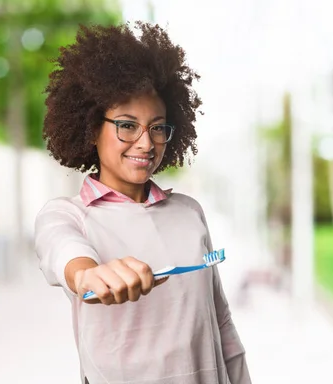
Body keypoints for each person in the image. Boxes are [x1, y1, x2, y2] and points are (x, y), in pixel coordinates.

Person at [35, 22, 251, 384]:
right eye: (127, 125)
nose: (146, 143)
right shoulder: (69, 215)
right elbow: (63, 251)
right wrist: (89, 273)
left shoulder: (189, 212)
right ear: (92, 128)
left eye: (157, 127)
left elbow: (221, 321)